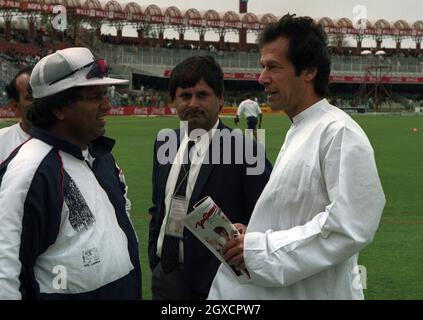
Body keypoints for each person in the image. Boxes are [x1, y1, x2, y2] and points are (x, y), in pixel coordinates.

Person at [208, 14, 386, 300]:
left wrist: (258, 248)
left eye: (273, 67)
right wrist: (251, 234)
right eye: (262, 66)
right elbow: (299, 212)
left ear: (309, 71)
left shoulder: (338, 132)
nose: (262, 78)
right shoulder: (301, 128)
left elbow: (350, 226)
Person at [0, 47, 141, 299]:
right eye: (95, 96)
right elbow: (5, 275)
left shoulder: (100, 156)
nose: (107, 105)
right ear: (59, 108)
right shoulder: (30, 170)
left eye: (105, 94)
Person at [148, 55, 272, 300]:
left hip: (220, 282)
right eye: (185, 95)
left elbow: (270, 217)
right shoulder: (165, 142)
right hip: (167, 278)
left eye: (202, 95)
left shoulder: (246, 150)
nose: (193, 103)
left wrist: (250, 234)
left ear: (220, 98)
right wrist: (156, 259)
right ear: (174, 100)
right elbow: (157, 207)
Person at [0, 66, 33, 162]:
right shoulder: (2, 142)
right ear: (15, 105)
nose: (41, 101)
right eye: (31, 97)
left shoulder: (72, 140)